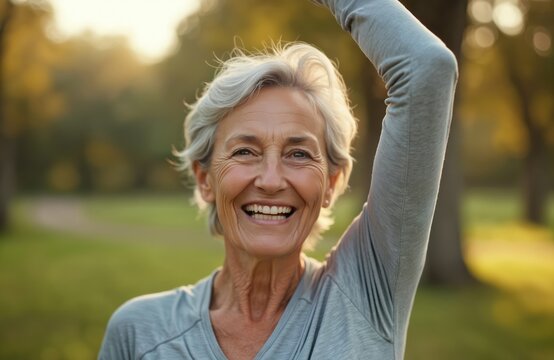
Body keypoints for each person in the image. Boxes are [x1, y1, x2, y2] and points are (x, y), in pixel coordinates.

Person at [98, 0, 458, 358]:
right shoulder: (139, 333)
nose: (271, 180)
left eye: (298, 154)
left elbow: (427, 67)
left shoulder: (365, 293)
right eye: (245, 151)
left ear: (332, 183)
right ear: (205, 178)